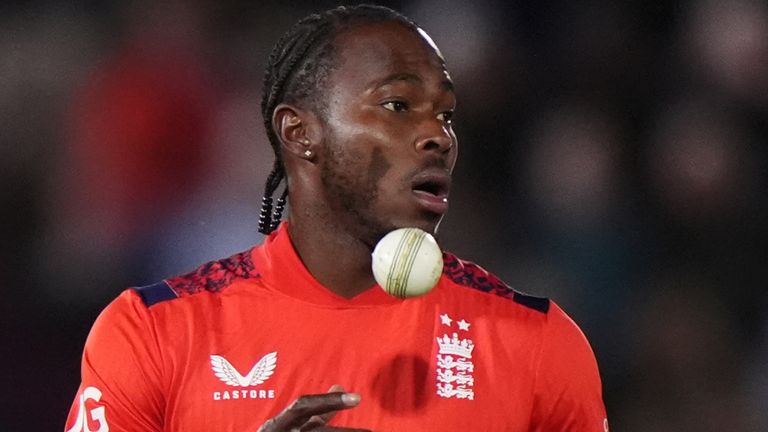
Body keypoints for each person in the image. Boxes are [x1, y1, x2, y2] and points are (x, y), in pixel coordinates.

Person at [65, 5, 608, 431]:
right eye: (398, 105)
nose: (438, 136)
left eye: (446, 115)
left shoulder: (537, 344)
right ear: (301, 133)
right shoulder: (152, 333)